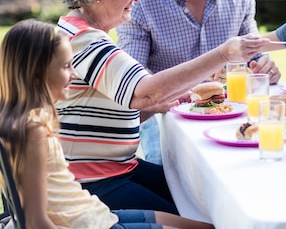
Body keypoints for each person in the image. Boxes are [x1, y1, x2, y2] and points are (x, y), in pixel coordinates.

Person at [56, 0, 267, 214]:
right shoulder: (85, 40)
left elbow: (119, 107)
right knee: (203, 213)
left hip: (115, 169)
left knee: (202, 197)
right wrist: (223, 54)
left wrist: (165, 101)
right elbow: (146, 92)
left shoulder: (77, 31)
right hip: (95, 183)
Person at [0, 19, 213, 229]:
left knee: (202, 225)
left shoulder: (32, 118)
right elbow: (35, 221)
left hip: (93, 213)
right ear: (38, 75)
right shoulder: (32, 130)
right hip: (87, 223)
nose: (74, 75)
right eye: (66, 67)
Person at [117, 0, 281, 165]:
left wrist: (263, 67)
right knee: (169, 173)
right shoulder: (142, 3)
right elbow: (134, 92)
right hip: (166, 117)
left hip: (229, 113)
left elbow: (254, 59)